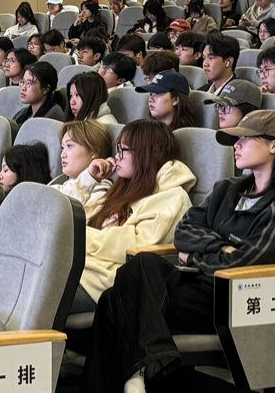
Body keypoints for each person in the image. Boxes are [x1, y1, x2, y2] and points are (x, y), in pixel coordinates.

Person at [82, 111, 275, 393]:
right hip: (195, 283)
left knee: (114, 301)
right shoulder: (227, 189)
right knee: (142, 264)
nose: (236, 145)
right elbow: (185, 230)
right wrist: (218, 246)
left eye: (246, 139)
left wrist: (195, 257)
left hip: (227, 298)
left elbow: (244, 263)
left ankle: (146, 373)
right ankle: (148, 371)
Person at [58, 120, 195, 314]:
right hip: (82, 269)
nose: (116, 156)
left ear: (147, 153)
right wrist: (88, 179)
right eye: (117, 149)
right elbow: (68, 213)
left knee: (28, 299)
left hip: (105, 282)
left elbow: (136, 246)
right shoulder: (127, 188)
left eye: (123, 150)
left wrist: (79, 237)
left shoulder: (172, 197)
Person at [52, 120, 113, 189]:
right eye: (63, 148)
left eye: (69, 146)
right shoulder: (64, 185)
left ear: (94, 152)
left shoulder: (101, 188)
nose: (62, 155)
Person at [13, 62, 64, 130]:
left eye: (29, 83)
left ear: (45, 89)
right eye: (23, 82)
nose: (23, 88)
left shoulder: (52, 116)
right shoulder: (23, 113)